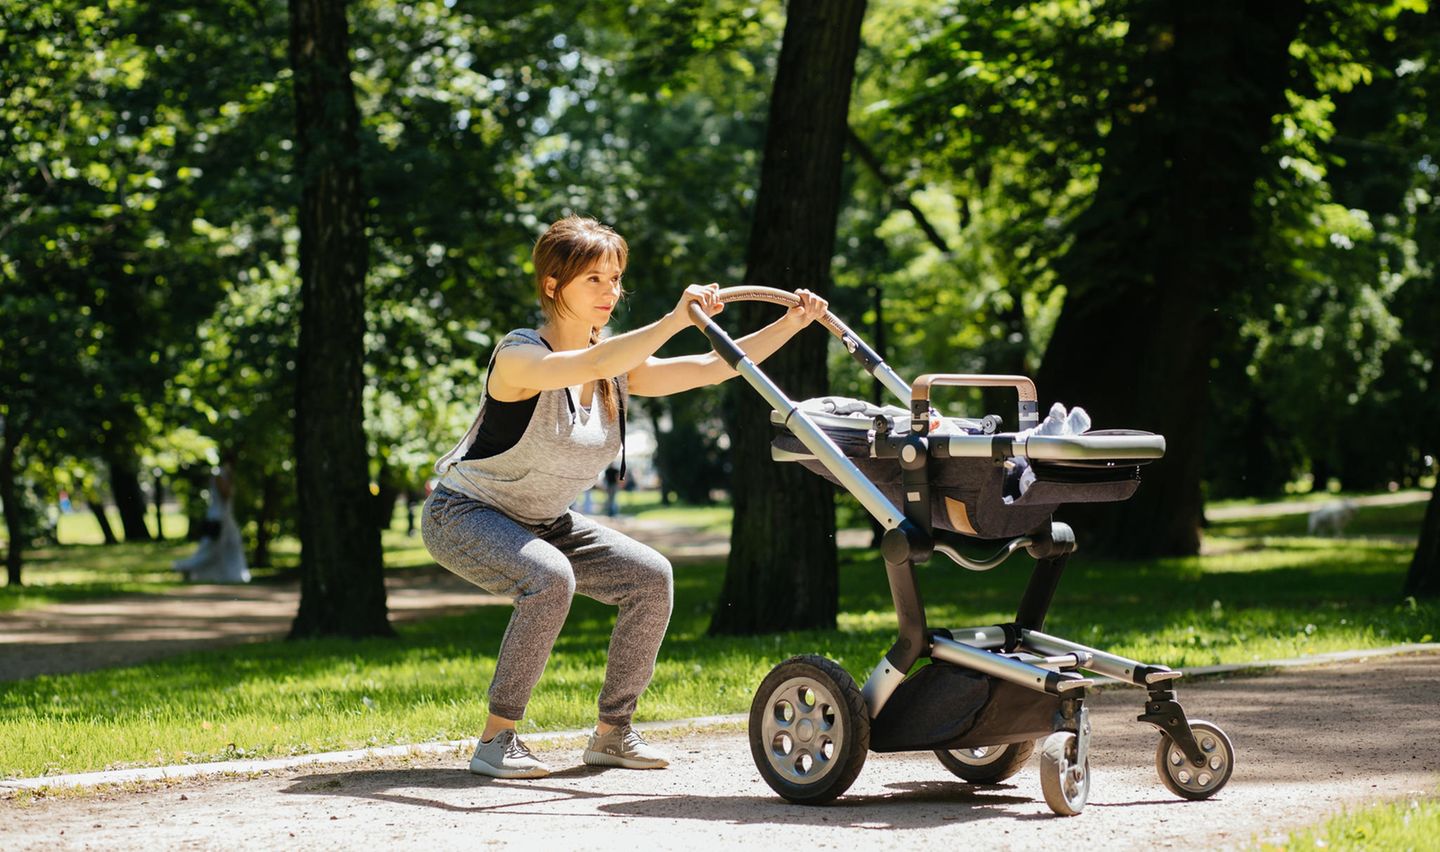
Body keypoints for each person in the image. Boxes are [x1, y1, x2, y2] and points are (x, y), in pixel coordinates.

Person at [421, 214, 827, 779]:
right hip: (463, 514)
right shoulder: (519, 357)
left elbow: (713, 367)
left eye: (615, 280)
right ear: (551, 285)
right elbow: (589, 361)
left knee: (649, 577)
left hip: (544, 520)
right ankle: (497, 741)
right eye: (594, 280)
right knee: (549, 578)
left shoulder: (615, 369)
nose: (610, 292)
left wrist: (794, 323)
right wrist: (676, 318)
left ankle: (613, 734)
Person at [172, 458, 251, 584]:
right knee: (211, 549)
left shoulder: (222, 474)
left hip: (225, 516)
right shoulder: (219, 474)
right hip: (218, 517)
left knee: (229, 545)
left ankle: (232, 575)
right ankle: (185, 567)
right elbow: (226, 494)